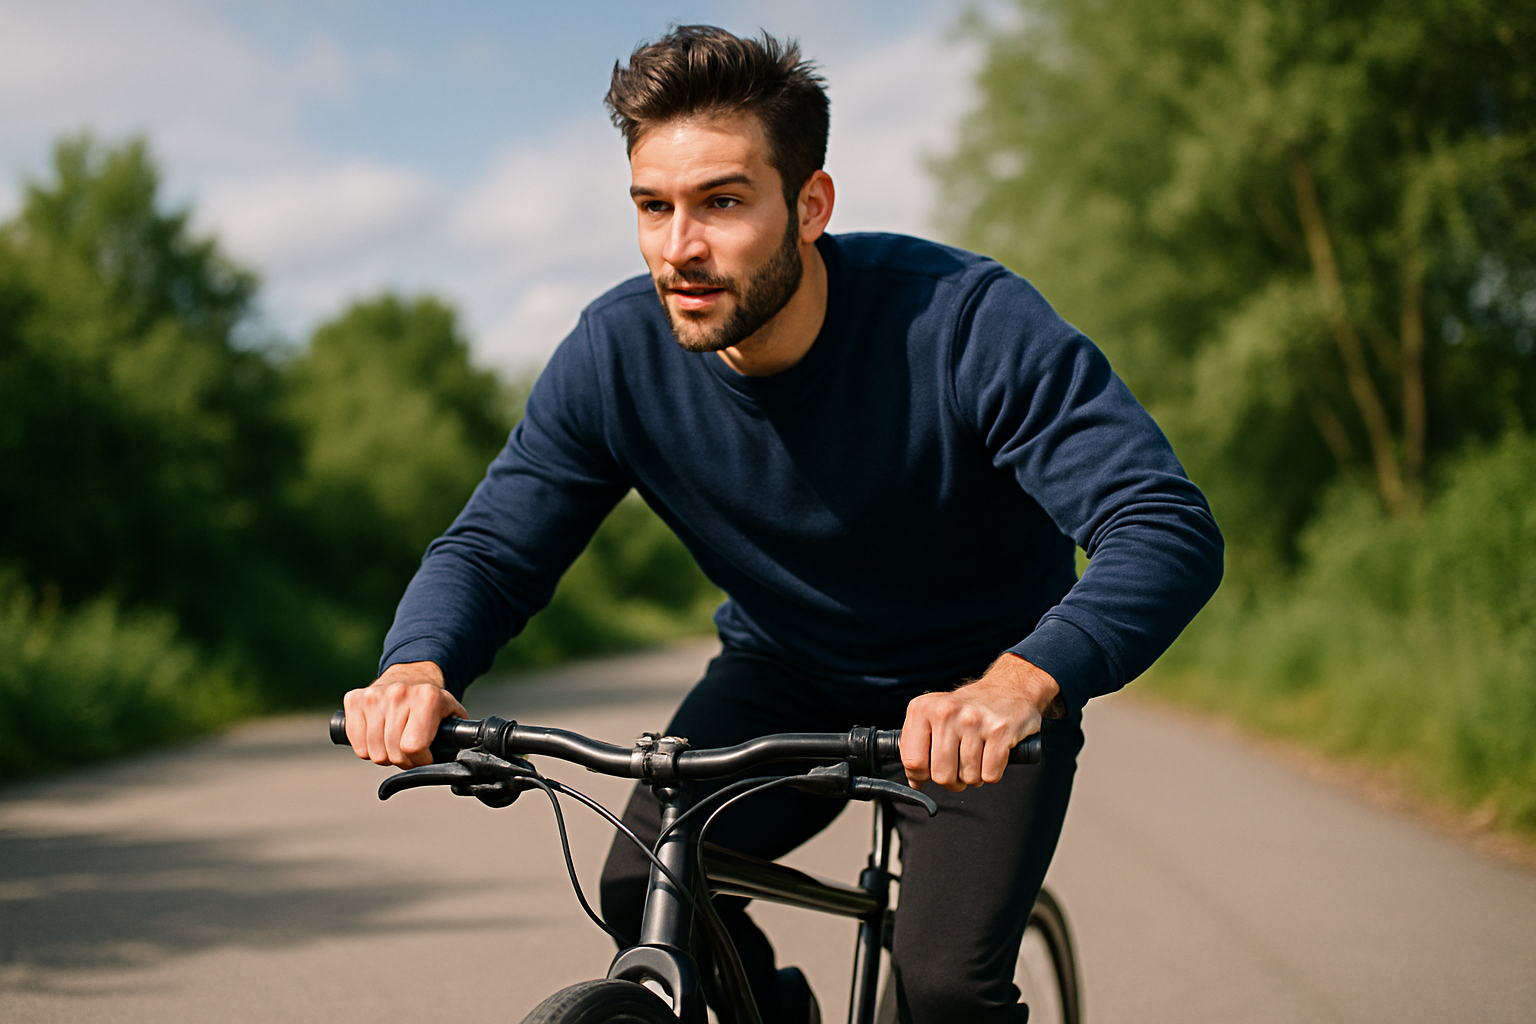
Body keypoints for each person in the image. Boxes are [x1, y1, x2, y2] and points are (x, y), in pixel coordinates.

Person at [342, 24, 1223, 1024]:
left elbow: (1162, 525)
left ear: (810, 205)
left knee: (942, 992)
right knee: (643, 891)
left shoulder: (964, 324)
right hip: (787, 675)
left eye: (722, 202)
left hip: (982, 695)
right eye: (653, 206)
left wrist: (1023, 685)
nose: (681, 246)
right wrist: (420, 663)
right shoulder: (616, 356)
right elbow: (496, 547)